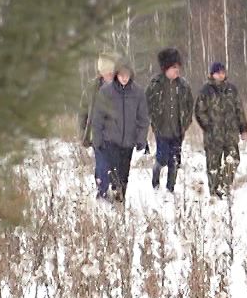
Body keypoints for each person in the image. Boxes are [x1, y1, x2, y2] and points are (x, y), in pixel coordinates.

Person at [92, 58, 149, 201]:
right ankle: (109, 196)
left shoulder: (138, 93)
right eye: (121, 74)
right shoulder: (106, 92)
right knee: (113, 173)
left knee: (124, 175)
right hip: (110, 140)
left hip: (128, 142)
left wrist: (141, 139)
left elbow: (143, 119)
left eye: (127, 74)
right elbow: (98, 117)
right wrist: (97, 139)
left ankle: (120, 200)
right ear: (116, 74)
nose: (124, 78)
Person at [194, 62, 247, 198]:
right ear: (212, 74)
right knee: (213, 166)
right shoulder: (206, 91)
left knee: (233, 160)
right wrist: (209, 127)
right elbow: (199, 111)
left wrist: (243, 128)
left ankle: (224, 187)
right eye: (218, 73)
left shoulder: (231, 90)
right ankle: (214, 193)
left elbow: (239, 109)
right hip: (213, 136)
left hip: (230, 134)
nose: (221, 75)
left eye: (223, 72)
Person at [145, 48, 193, 194]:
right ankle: (155, 179)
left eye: (178, 67)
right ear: (166, 68)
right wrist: (153, 120)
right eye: (173, 67)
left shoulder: (183, 85)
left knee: (175, 160)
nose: (177, 70)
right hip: (162, 130)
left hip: (177, 130)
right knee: (162, 158)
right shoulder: (155, 84)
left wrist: (186, 122)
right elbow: (147, 104)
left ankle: (170, 188)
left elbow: (189, 105)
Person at [78, 52, 116, 196]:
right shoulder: (92, 88)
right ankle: (102, 192)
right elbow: (83, 112)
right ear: (101, 72)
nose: (110, 75)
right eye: (107, 72)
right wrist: (83, 132)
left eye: (112, 71)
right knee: (102, 165)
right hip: (98, 135)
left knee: (114, 165)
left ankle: (115, 188)